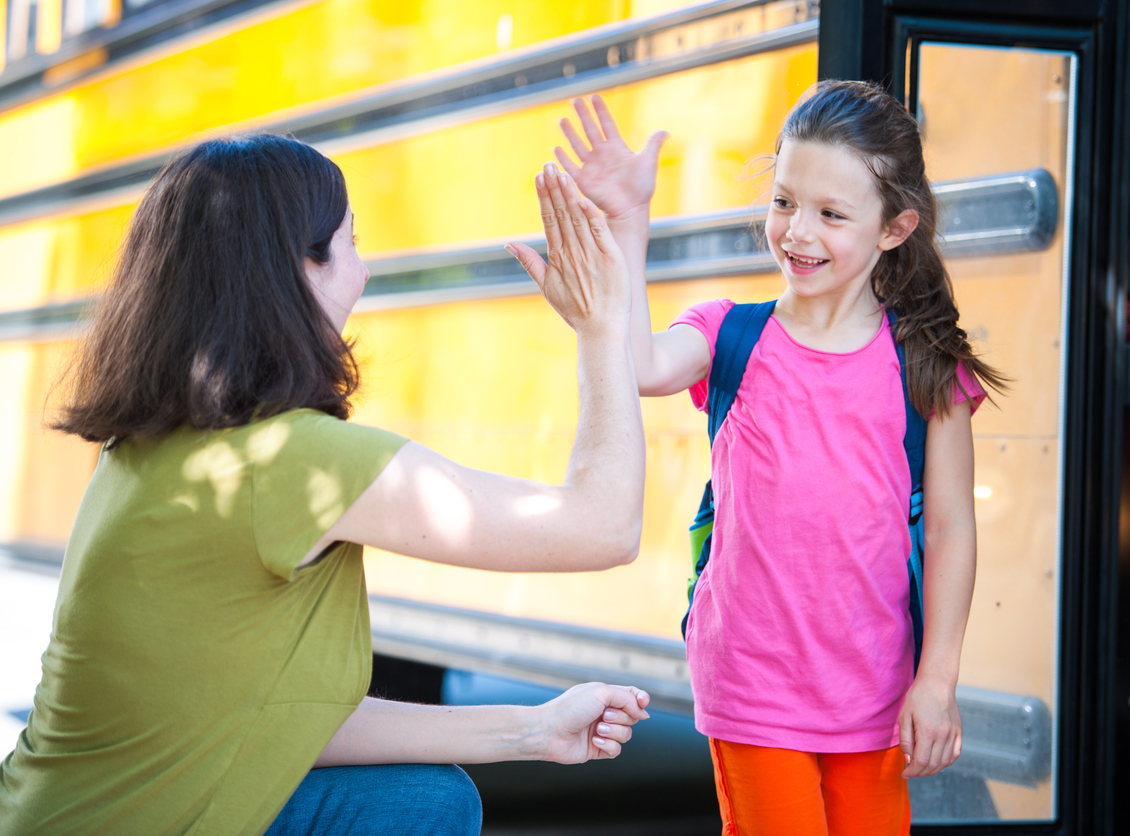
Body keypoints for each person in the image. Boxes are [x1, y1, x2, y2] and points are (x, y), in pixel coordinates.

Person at [0, 135, 651, 836]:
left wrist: (533, 731)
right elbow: (603, 526)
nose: (363, 273)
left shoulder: (150, 444)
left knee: (425, 800)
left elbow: (269, 719)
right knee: (424, 808)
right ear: (294, 270)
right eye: (350, 244)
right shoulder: (295, 462)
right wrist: (602, 328)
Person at [551, 81, 1007, 835]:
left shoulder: (924, 363)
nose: (798, 231)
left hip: (875, 691)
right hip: (753, 687)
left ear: (895, 228)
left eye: (832, 214)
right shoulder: (732, 335)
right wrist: (629, 221)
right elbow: (637, 365)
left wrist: (938, 678)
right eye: (785, 202)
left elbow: (954, 526)